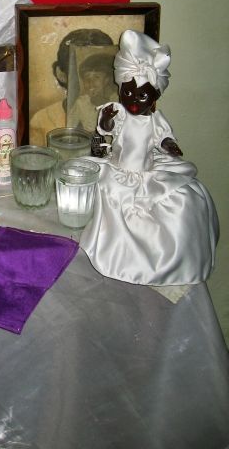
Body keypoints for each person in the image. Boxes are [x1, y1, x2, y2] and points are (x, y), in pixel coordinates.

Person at [79, 30, 219, 286]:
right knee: (103, 196)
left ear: (155, 97)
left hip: (143, 170)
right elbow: (106, 129)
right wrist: (108, 119)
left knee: (172, 204)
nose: (133, 101)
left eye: (142, 96)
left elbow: (163, 137)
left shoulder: (155, 119)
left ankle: (145, 260)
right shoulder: (120, 112)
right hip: (117, 166)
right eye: (127, 93)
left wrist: (169, 145)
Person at [29, 29, 113, 145]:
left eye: (98, 76)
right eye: (85, 76)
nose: (91, 83)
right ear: (61, 74)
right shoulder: (42, 120)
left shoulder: (122, 112)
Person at [67, 50, 117, 132]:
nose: (90, 82)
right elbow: (69, 126)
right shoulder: (81, 103)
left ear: (106, 80)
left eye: (96, 77)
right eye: (87, 78)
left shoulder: (117, 101)